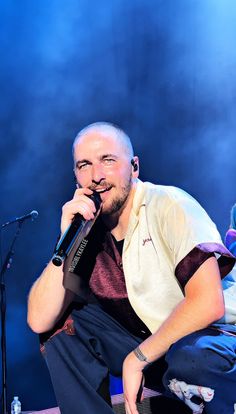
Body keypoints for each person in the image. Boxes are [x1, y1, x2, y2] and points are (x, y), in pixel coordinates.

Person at [27, 122, 236, 414]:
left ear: (134, 167)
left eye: (108, 161)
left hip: (215, 339)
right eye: (84, 165)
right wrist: (66, 238)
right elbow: (39, 320)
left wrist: (137, 357)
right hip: (156, 346)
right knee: (63, 327)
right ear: (76, 177)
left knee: (191, 357)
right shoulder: (87, 233)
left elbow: (208, 303)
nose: (96, 176)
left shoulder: (169, 204)